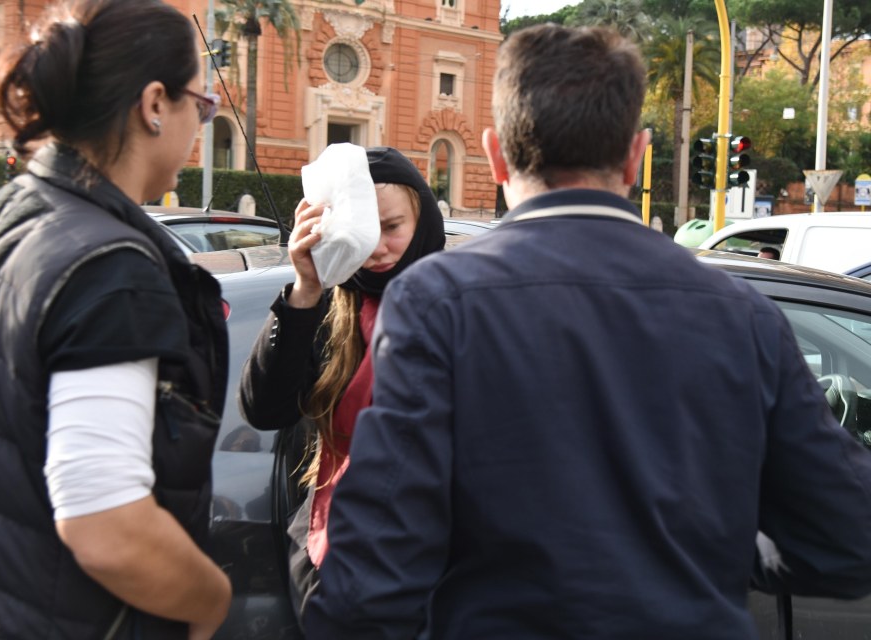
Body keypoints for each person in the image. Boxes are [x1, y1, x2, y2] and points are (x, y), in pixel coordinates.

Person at [303, 25, 871, 639]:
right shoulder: (744, 313)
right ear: (636, 154)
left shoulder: (436, 303)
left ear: (496, 156)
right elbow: (848, 540)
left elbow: (375, 568)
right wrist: (722, 557)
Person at [0, 1, 232, 638]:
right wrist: (211, 599)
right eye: (202, 104)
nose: (200, 126)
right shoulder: (110, 268)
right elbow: (106, 526)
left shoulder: (5, 215)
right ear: (154, 104)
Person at [238, 146, 445, 621]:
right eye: (365, 229)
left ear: (423, 220)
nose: (375, 247)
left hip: (429, 575)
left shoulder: (457, 306)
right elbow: (265, 410)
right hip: (331, 565)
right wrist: (306, 290)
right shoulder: (332, 307)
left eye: (392, 227)